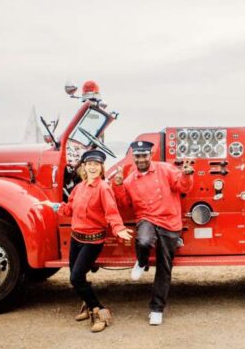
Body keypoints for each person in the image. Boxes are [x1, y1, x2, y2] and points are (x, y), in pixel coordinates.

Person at [41, 149, 133, 333]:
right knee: (76, 277)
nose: (92, 167)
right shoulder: (79, 187)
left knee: (76, 278)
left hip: (93, 241)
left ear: (101, 168)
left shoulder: (104, 188)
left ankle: (100, 311)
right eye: (89, 164)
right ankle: (88, 307)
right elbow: (70, 209)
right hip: (76, 238)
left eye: (96, 165)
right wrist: (54, 206)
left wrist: (119, 228)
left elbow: (111, 212)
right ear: (84, 167)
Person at [112, 140, 194, 325]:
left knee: (165, 267)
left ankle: (157, 309)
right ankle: (141, 262)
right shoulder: (130, 180)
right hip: (147, 218)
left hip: (169, 220)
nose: (141, 159)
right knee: (143, 241)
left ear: (150, 155)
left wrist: (187, 175)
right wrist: (117, 185)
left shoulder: (165, 169)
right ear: (133, 157)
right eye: (137, 156)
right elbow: (124, 203)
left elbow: (183, 187)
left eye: (144, 156)